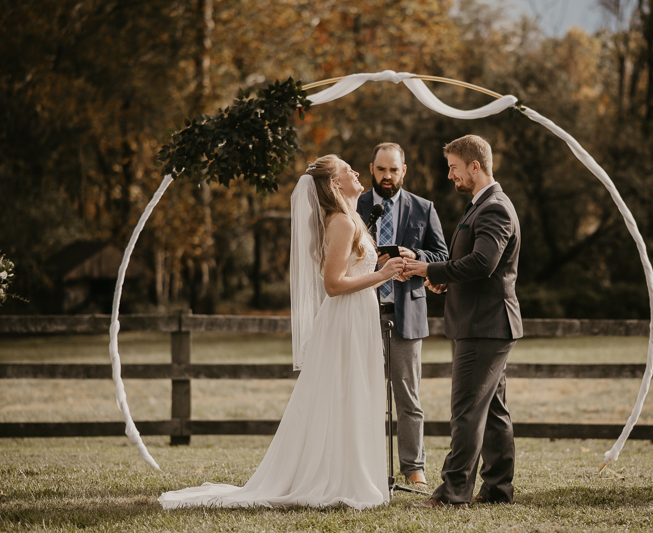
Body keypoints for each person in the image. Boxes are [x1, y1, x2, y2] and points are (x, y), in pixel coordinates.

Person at [158, 155, 406, 510]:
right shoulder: (341, 223)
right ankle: (336, 478)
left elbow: (351, 270)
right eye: (347, 169)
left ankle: (353, 472)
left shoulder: (349, 220)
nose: (355, 171)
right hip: (345, 320)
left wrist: (385, 267)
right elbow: (334, 284)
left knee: (354, 392)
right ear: (335, 184)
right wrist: (383, 275)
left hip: (358, 317)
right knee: (343, 392)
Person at [404, 134, 523, 508]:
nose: (451, 176)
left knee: (467, 410)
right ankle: (498, 489)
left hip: (484, 325)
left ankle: (453, 492)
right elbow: (473, 266)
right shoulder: (482, 205)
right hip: (482, 321)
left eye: (455, 168)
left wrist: (428, 266)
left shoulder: (495, 208)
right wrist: (443, 280)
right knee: (493, 411)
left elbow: (484, 263)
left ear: (475, 166)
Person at [357, 142, 449, 490]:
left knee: (408, 396)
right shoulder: (356, 205)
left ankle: (414, 469)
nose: (387, 176)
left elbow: (441, 254)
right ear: (372, 169)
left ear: (403, 171)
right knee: (365, 393)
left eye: (393, 170)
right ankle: (366, 466)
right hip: (364, 313)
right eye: (381, 170)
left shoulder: (424, 208)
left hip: (407, 313)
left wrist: (416, 255)